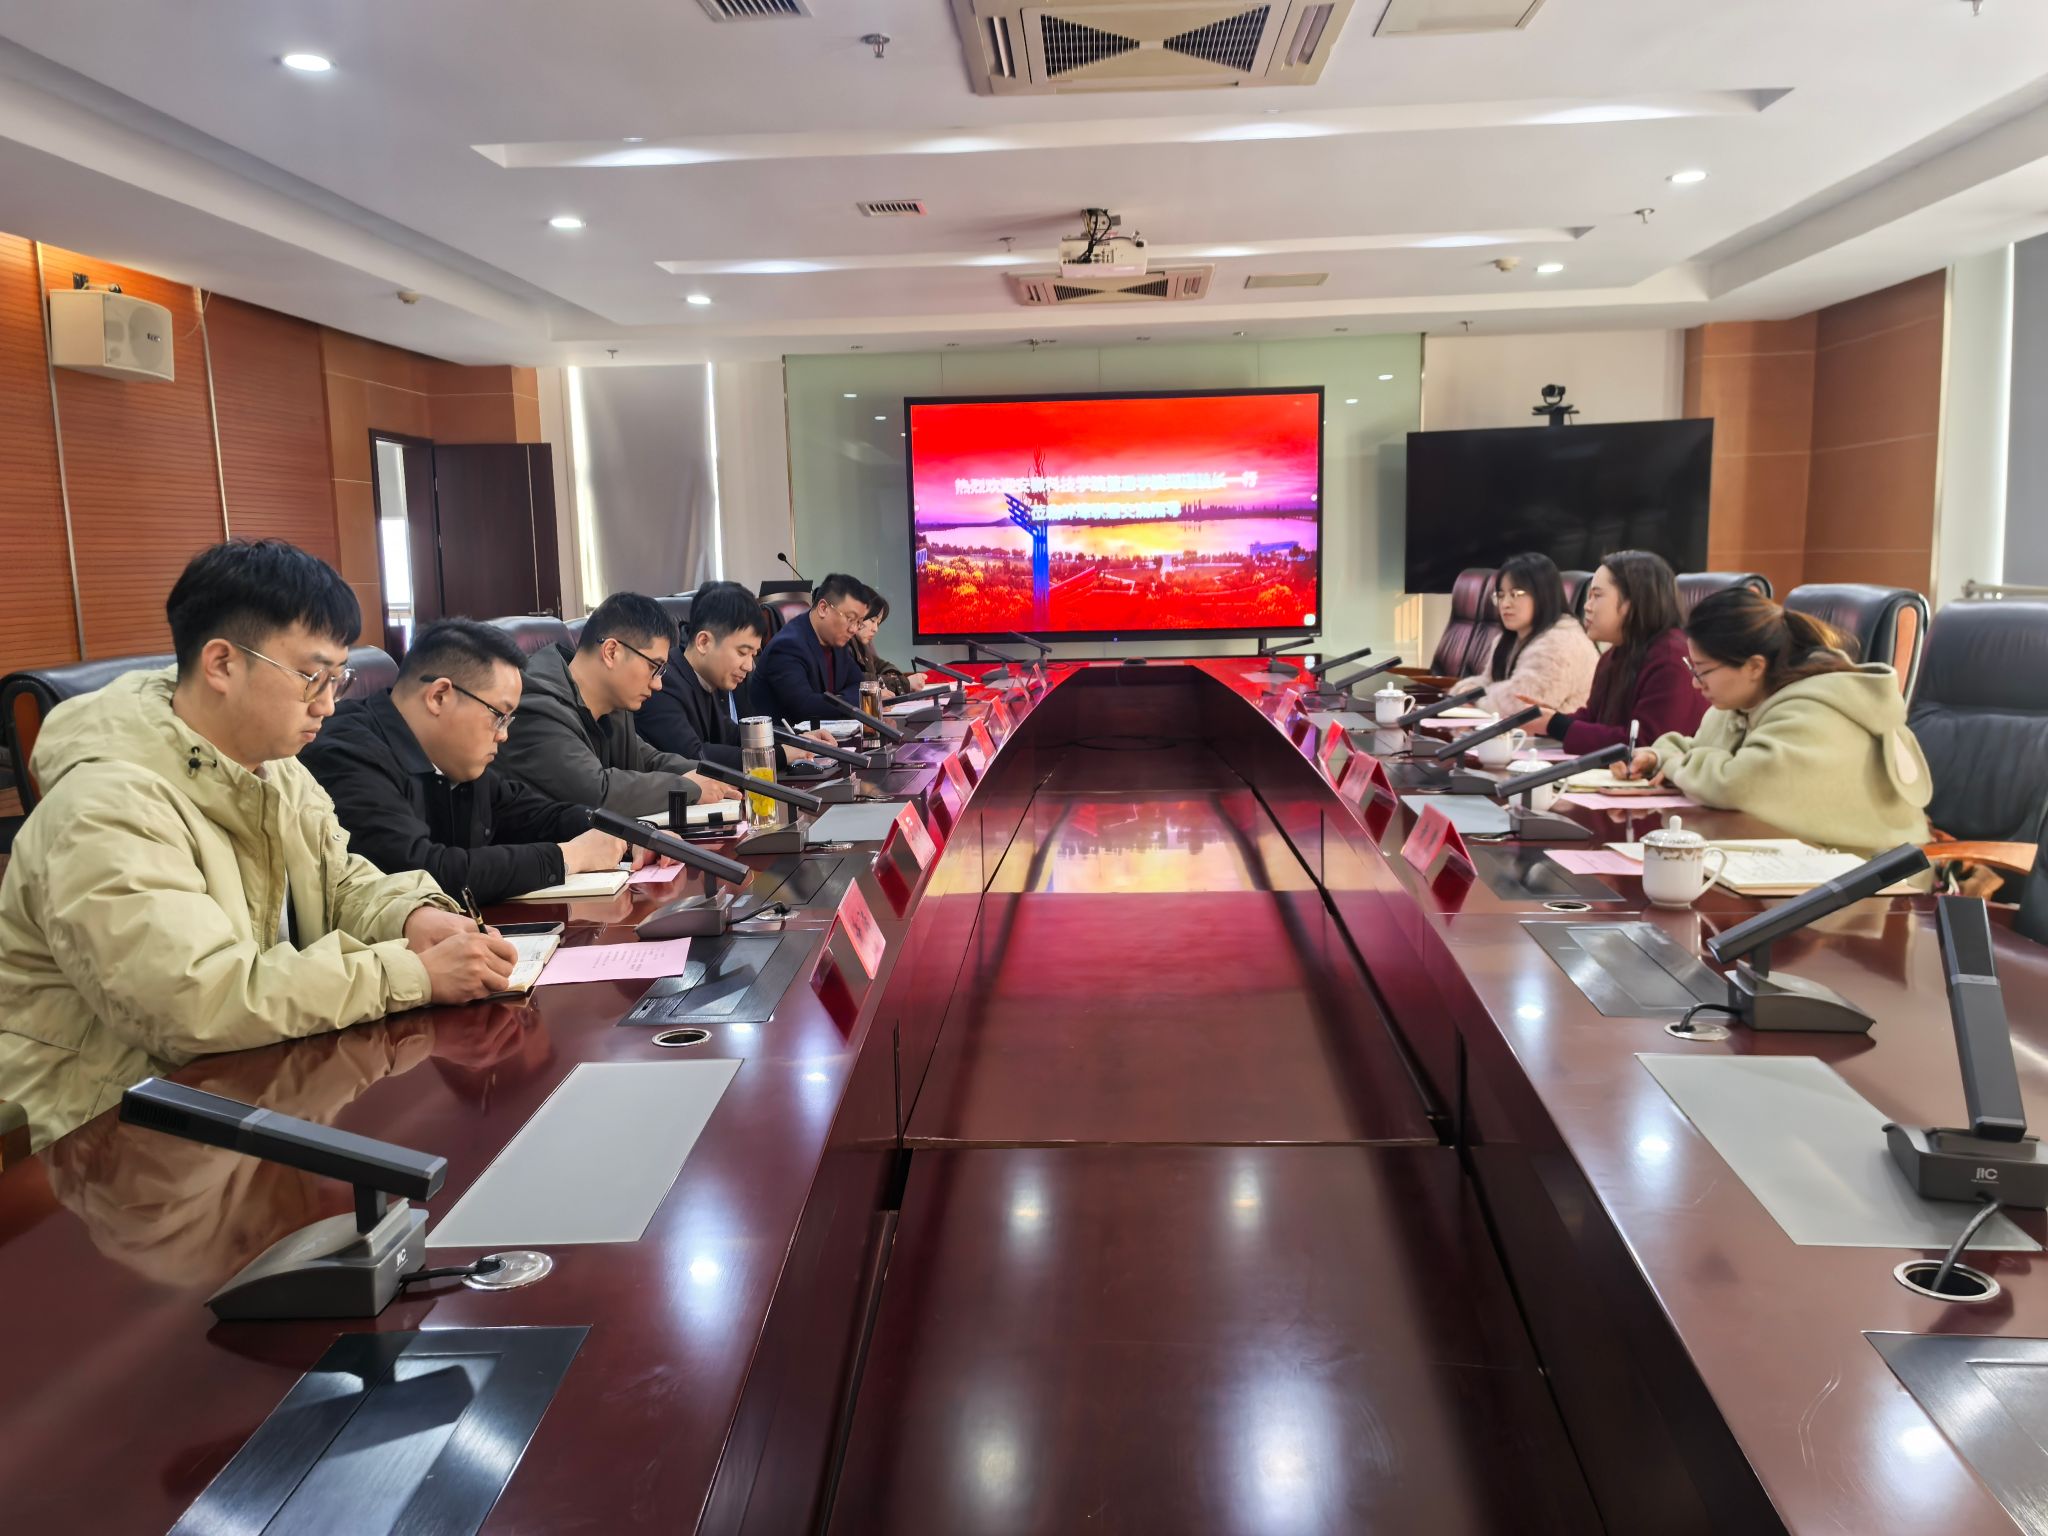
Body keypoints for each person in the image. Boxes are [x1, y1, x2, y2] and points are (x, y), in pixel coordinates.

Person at [0, 540, 517, 1154]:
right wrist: (410, 973)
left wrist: (410, 916)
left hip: (249, 1089)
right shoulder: (104, 806)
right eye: (311, 677)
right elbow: (196, 1001)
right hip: (110, 1137)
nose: (328, 703)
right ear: (222, 663)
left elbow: (337, 879)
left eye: (338, 679)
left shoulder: (275, 765)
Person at [304, 618, 648, 904]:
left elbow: (532, 814)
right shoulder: (347, 752)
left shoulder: (453, 758)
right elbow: (419, 873)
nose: (504, 735)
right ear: (439, 696)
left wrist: (624, 833)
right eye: (499, 716)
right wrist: (567, 857)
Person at [1614, 588, 1932, 855]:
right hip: (1792, 861)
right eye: (1692, 668)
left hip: (1867, 878)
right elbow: (1700, 750)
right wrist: (1657, 757)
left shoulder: (1816, 711)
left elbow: (1735, 784)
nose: (1696, 684)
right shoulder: (1744, 703)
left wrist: (1675, 763)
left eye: (1704, 671)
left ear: (1754, 666)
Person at [496, 592, 737, 818]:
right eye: (654, 667)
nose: (658, 684)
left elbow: (649, 760)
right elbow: (596, 792)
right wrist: (690, 787)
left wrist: (718, 778)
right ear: (611, 652)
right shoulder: (536, 705)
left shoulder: (611, 706)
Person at [1521, 550, 1707, 754]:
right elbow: (1594, 719)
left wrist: (1556, 725)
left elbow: (1646, 745)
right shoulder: (1616, 653)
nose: (1587, 606)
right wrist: (1548, 720)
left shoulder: (1670, 659)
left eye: (1597, 596)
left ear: (1632, 601)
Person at [637, 582, 765, 769]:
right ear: (704, 642)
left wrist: (794, 742)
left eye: (753, 655)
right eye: (742, 652)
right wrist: (776, 755)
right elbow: (694, 756)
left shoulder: (708, 678)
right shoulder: (663, 682)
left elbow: (732, 735)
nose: (749, 666)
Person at [1456, 552, 1598, 716]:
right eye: (1501, 595)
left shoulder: (1561, 643)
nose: (1505, 604)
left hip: (1555, 732)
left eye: (1516, 594)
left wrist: (1473, 700)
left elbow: (1519, 705)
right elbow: (1489, 681)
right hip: (1514, 729)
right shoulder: (1510, 638)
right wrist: (1465, 692)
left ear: (1543, 594)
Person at [755, 571, 869, 726]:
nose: (853, 629)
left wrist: (839, 700)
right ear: (823, 608)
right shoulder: (787, 646)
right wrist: (848, 701)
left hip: (829, 734)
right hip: (790, 739)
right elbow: (806, 707)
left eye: (859, 622)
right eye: (850, 619)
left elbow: (859, 686)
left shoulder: (836, 640)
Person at [848, 586, 916, 696]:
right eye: (872, 620)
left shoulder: (864, 646)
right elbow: (857, 680)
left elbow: (881, 665)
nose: (875, 629)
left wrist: (895, 677)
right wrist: (905, 683)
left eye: (878, 623)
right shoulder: (842, 644)